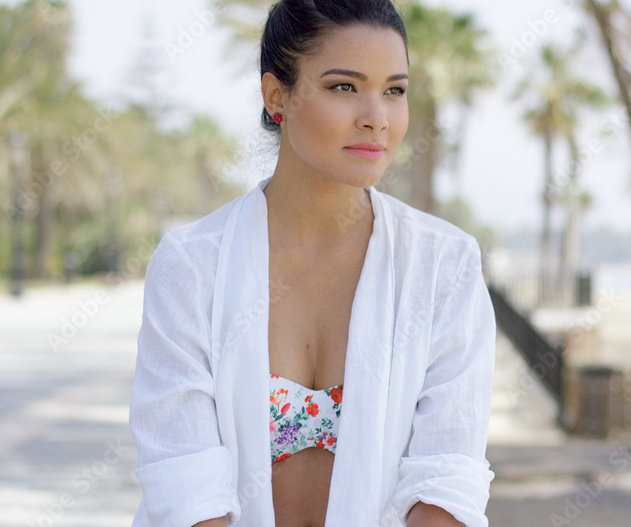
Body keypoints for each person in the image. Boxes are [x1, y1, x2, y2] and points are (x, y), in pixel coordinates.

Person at [128, 1, 497, 525]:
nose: (377, 117)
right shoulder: (191, 266)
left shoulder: (443, 266)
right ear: (277, 96)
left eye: (395, 90)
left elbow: (447, 477)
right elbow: (183, 482)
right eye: (344, 87)